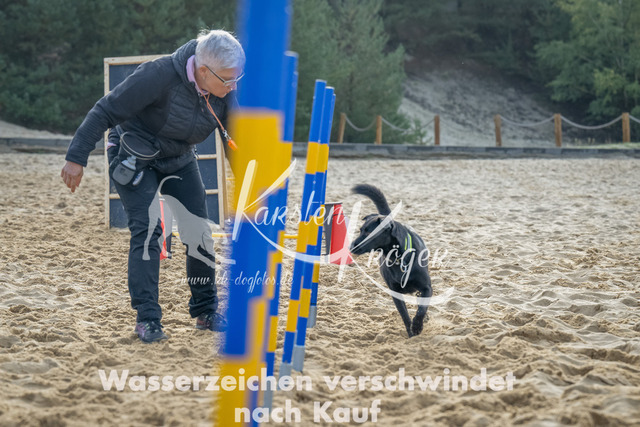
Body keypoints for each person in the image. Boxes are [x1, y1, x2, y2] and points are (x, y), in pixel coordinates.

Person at [60, 29, 245, 343]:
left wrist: (249, 183)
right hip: (134, 155)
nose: (234, 85)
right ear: (203, 71)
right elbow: (105, 109)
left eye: (237, 78)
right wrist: (76, 157)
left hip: (179, 157)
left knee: (199, 231)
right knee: (148, 231)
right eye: (228, 79)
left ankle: (206, 310)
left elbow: (236, 138)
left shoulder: (223, 89)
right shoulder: (158, 75)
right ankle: (147, 319)